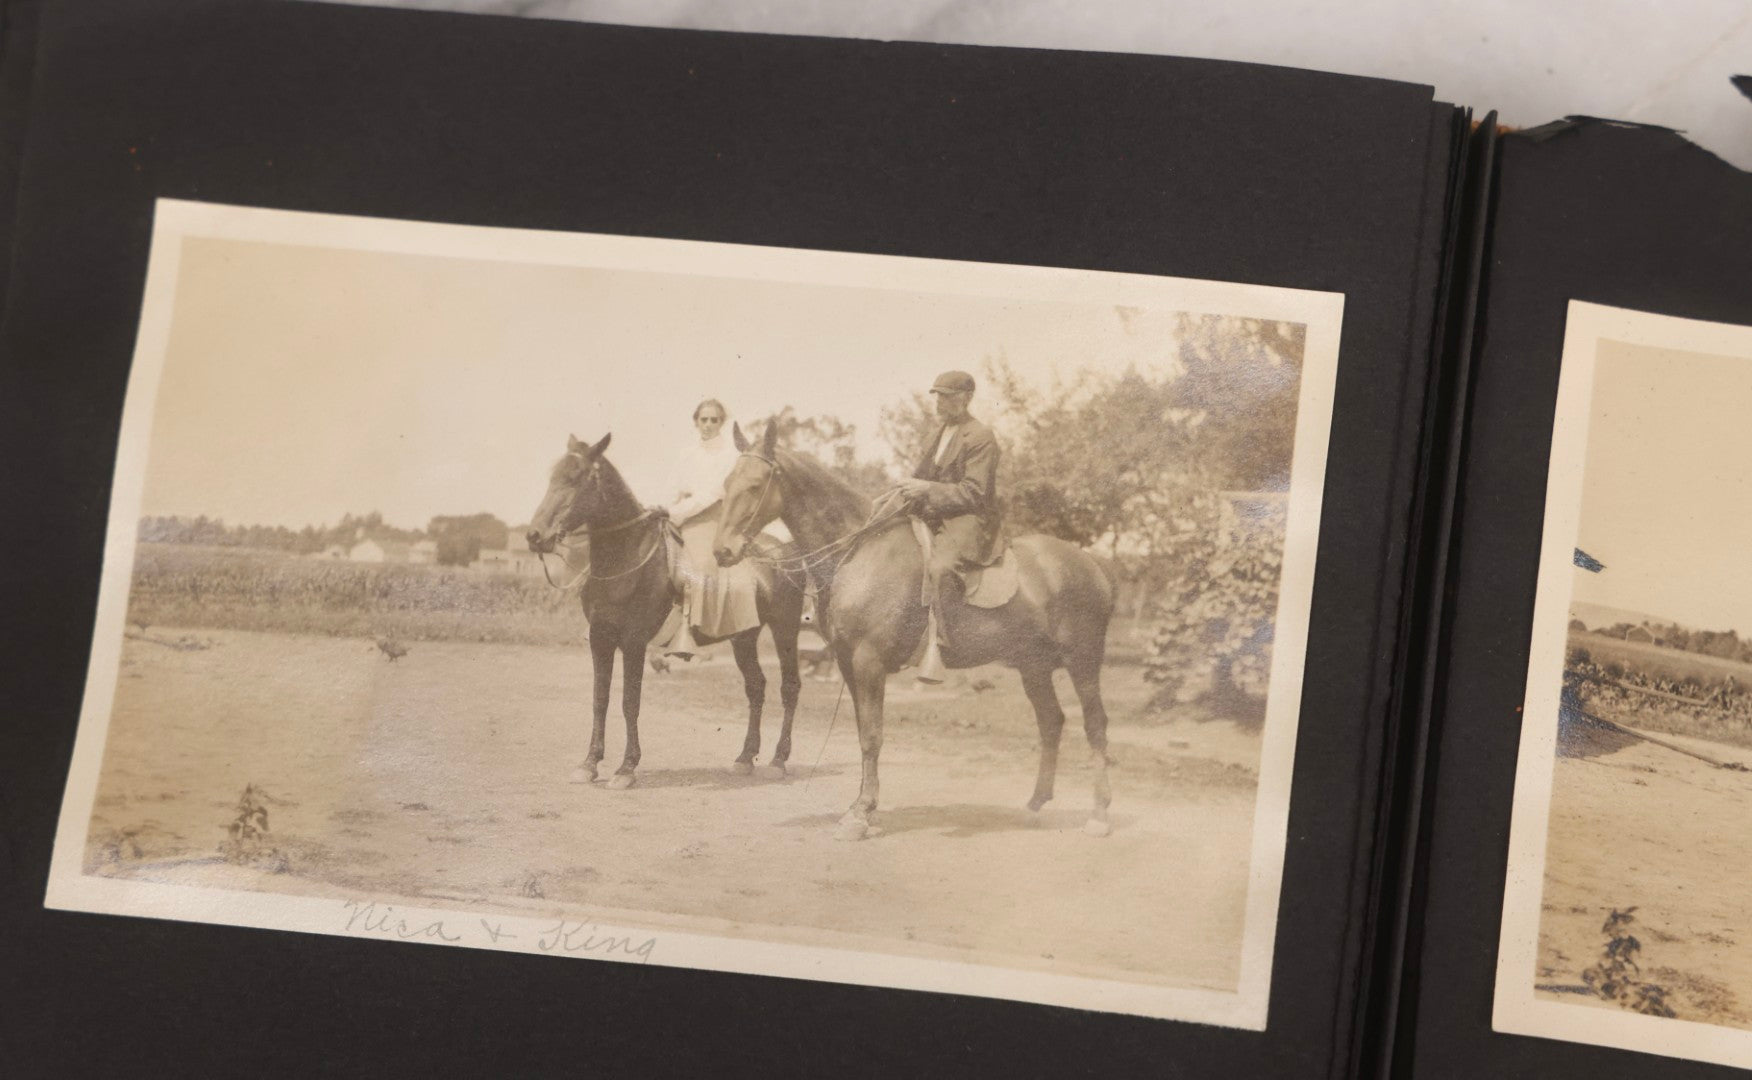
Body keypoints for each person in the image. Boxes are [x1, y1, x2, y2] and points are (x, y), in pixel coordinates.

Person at [889, 370, 1002, 683]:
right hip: (934, 513)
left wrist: (927, 489)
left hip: (968, 518)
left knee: (941, 568)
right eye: (937, 395)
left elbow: (975, 492)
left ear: (966, 398)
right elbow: (922, 476)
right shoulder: (939, 434)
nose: (939, 402)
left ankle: (944, 646)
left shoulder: (981, 436)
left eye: (946, 396)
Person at [654, 398, 765, 658]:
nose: (708, 424)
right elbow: (673, 487)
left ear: (721, 422)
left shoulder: (731, 456)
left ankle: (692, 630)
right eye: (703, 419)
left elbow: (713, 493)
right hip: (679, 515)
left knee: (701, 564)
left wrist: (677, 512)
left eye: (714, 420)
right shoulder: (686, 454)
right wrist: (665, 509)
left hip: (711, 518)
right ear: (696, 422)